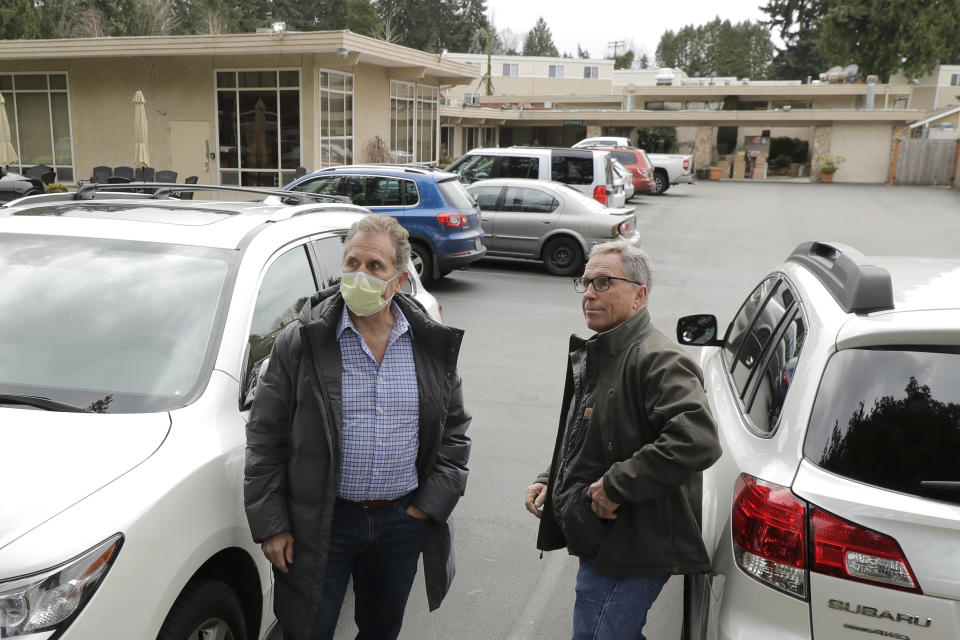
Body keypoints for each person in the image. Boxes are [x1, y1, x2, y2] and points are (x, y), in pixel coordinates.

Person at [244, 214, 471, 640]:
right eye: (352, 263)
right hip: (324, 520)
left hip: (402, 521)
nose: (359, 275)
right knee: (309, 628)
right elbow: (265, 436)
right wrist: (272, 523)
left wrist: (426, 507)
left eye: (374, 267)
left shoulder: (429, 344)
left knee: (382, 630)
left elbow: (453, 433)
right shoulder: (302, 341)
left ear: (399, 280)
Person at [524, 239, 721, 640]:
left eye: (603, 282)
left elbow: (697, 439)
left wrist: (616, 485)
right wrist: (551, 477)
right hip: (603, 538)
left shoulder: (657, 359)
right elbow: (586, 430)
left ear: (639, 294)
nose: (589, 294)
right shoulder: (605, 349)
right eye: (585, 283)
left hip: (636, 548)